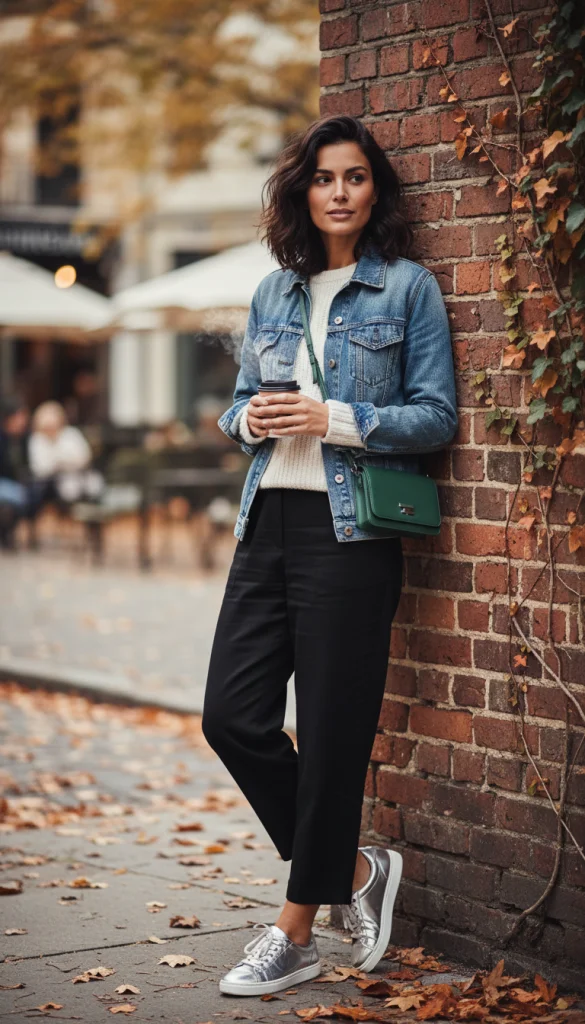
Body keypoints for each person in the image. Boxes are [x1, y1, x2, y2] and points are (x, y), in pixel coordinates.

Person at [202, 114, 458, 997]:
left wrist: (334, 419)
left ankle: (294, 932)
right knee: (229, 717)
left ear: (372, 190)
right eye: (323, 178)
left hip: (351, 536)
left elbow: (435, 416)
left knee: (333, 735)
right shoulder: (274, 291)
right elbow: (237, 409)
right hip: (266, 522)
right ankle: (354, 873)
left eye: (354, 177)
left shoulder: (406, 290)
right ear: (301, 191)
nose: (339, 191)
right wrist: (251, 420)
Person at [28, 401, 104, 505]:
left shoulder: (71, 434)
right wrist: (62, 463)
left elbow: (84, 457)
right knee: (69, 488)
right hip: (52, 482)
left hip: (81, 475)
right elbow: (41, 468)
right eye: (48, 427)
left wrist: (60, 462)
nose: (51, 430)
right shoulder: (37, 440)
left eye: (54, 426)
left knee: (94, 485)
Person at [0, 396, 32, 549]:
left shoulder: (25, 439)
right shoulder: (2, 440)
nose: (23, 421)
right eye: (19, 417)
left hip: (19, 484)